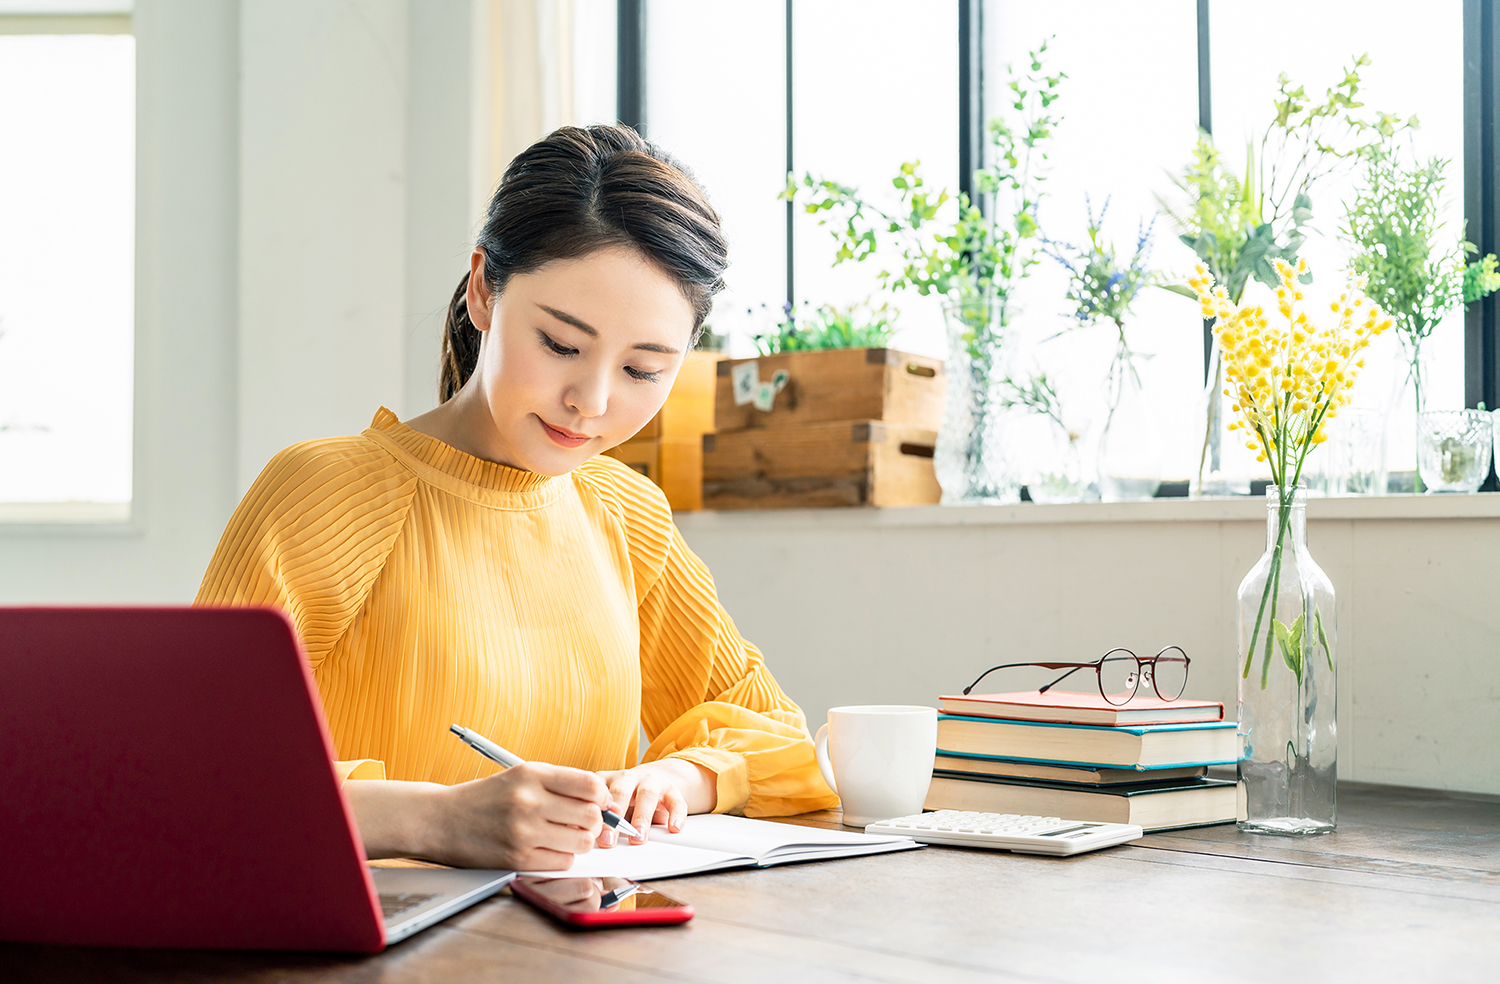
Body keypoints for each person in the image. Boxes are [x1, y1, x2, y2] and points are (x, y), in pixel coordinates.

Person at [196, 124, 838, 871]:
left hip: (571, 941)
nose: (590, 401)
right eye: (562, 345)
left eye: (643, 370)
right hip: (358, 944)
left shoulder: (627, 515)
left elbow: (779, 737)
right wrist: (434, 822)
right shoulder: (328, 492)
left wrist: (676, 778)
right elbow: (192, 768)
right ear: (483, 290)